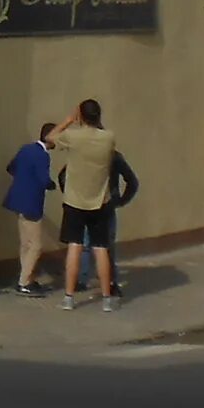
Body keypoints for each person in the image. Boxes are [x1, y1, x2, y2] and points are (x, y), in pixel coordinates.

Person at [51, 98, 131, 309]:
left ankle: (68, 298)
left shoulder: (73, 137)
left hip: (75, 201)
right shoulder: (108, 138)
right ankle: (106, 299)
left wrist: (69, 120)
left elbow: (50, 138)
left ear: (81, 116)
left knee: (75, 248)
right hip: (100, 201)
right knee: (101, 248)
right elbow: (100, 135)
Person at [2, 121, 59, 294]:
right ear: (51, 137)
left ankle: (26, 277)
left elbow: (11, 167)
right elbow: (44, 179)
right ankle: (25, 282)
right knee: (35, 245)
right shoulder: (43, 156)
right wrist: (52, 185)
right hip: (32, 202)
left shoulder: (26, 149)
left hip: (17, 200)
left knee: (25, 243)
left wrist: (23, 180)